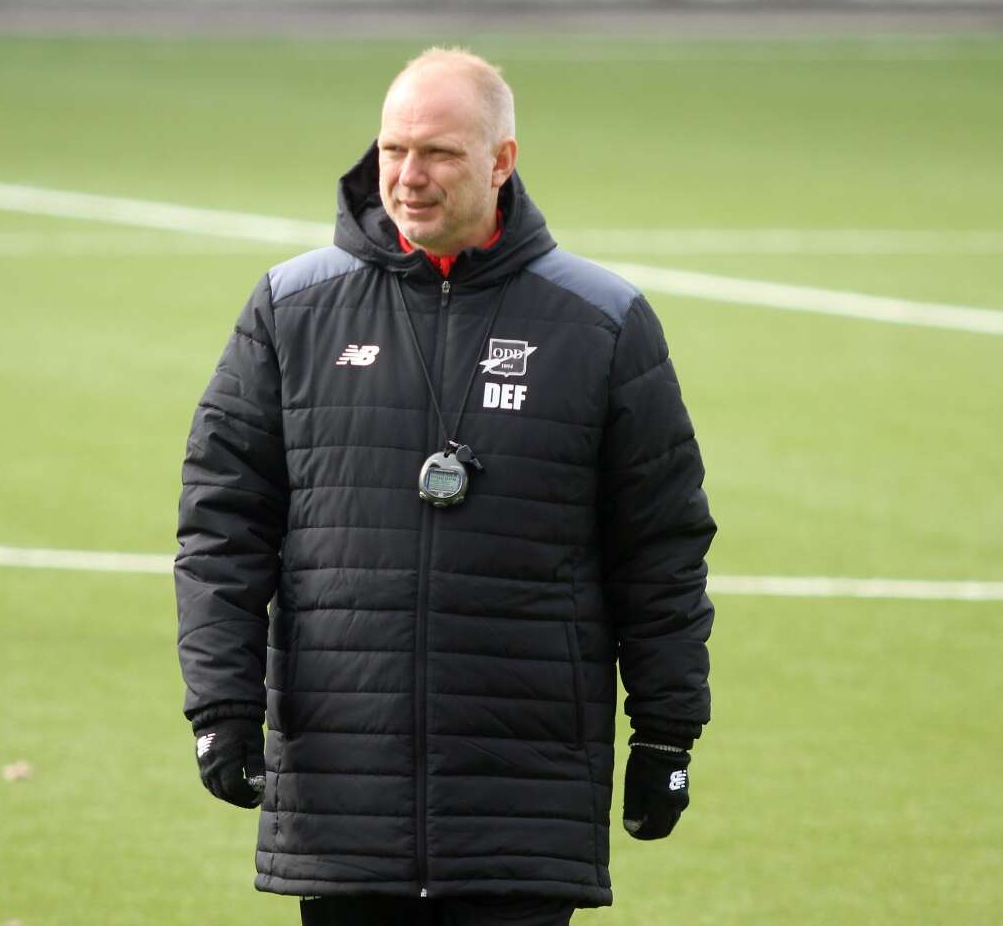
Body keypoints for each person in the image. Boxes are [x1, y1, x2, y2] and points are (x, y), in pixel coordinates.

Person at [176, 48, 716, 925]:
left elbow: (660, 548)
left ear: (501, 161)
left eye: (437, 153)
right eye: (393, 150)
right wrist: (221, 706)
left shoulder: (601, 323)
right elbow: (221, 528)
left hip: (522, 801)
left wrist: (665, 732)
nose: (407, 176)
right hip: (346, 799)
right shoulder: (290, 309)